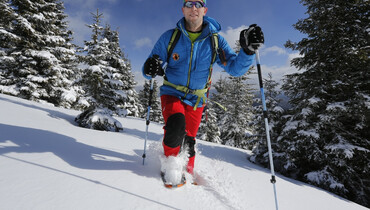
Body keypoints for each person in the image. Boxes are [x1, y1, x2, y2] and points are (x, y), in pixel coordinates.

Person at [142, 0, 264, 184]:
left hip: (197, 99)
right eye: (189, 3)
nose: (193, 8)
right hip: (172, 92)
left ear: (204, 10)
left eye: (198, 4)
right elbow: (150, 65)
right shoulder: (170, 37)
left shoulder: (215, 41)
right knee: (176, 126)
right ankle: (170, 167)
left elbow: (234, 69)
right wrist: (149, 68)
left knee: (189, 142)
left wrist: (247, 51)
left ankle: (188, 175)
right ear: (183, 9)